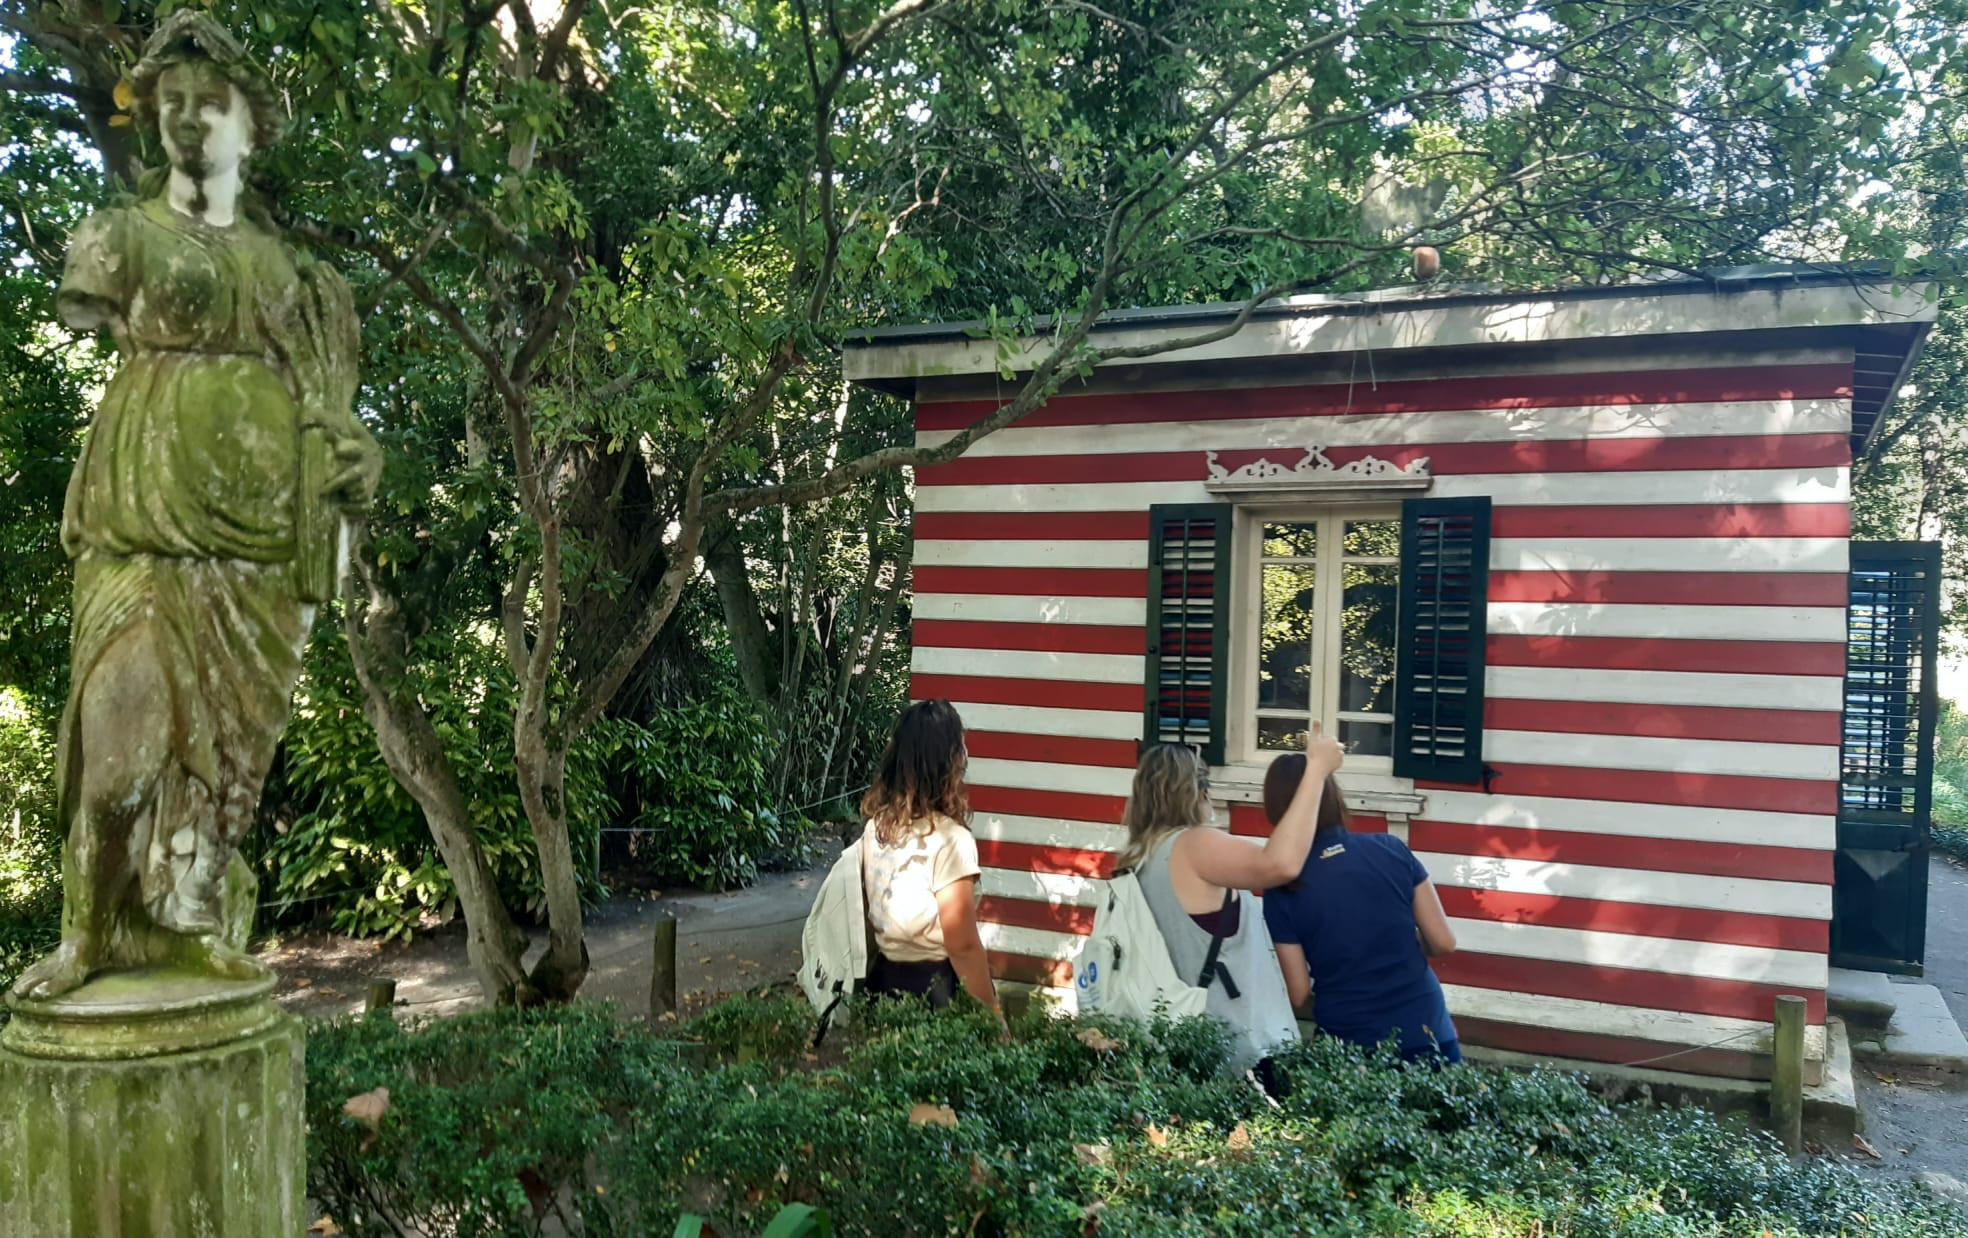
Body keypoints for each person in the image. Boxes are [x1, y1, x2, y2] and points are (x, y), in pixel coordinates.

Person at [11, 12, 379, 1001]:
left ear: (251, 126)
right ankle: (87, 933)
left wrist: (352, 454)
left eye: (210, 103)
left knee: (233, 753)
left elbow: (326, 406)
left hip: (261, 529)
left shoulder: (291, 273)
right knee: (117, 758)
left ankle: (187, 920)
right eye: (169, 102)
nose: (186, 119)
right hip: (143, 509)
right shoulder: (119, 235)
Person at [1121, 726, 1345, 1083]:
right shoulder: (1194, 845)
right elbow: (1280, 864)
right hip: (1240, 1050)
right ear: (1195, 790)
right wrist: (1316, 770)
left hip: (1187, 1046)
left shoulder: (1139, 857)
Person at [1259, 754, 1462, 1065]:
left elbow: (1298, 992)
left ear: (1274, 807)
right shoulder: (1391, 849)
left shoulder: (1282, 887)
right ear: (1333, 795)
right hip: (1427, 1029)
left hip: (1350, 1041)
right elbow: (1444, 942)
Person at [858, 699, 1004, 1032]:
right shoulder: (951, 841)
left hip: (881, 984)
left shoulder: (877, 828)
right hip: (933, 994)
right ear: (950, 762)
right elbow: (963, 946)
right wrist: (993, 1018)